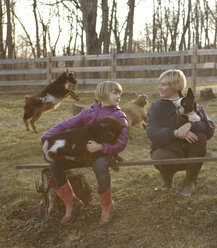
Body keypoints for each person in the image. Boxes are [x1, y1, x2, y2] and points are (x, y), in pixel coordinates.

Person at [41, 81, 128, 226]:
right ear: (102, 94)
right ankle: (72, 203)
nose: (118, 96)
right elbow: (65, 125)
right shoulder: (88, 112)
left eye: (119, 93)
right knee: (55, 165)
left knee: (100, 166)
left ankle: (107, 206)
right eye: (114, 92)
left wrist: (101, 147)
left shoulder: (119, 116)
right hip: (82, 154)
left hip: (103, 154)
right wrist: (47, 138)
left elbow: (122, 142)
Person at [146, 69, 215, 197]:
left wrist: (192, 125)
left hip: (190, 151)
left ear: (175, 85)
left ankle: (189, 182)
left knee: (201, 137)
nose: (159, 88)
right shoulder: (155, 107)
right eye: (159, 84)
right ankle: (167, 180)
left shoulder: (194, 105)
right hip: (167, 149)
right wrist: (175, 133)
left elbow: (210, 128)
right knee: (163, 159)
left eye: (163, 84)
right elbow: (152, 132)